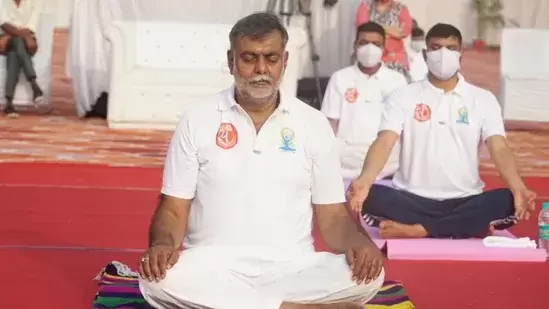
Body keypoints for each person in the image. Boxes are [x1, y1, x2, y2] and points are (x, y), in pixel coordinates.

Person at [138, 12, 384, 309]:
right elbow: (173, 210)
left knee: (371, 274)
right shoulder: (197, 120)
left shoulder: (313, 124)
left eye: (271, 58)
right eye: (249, 58)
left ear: (285, 61)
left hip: (293, 268)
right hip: (213, 268)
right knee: (157, 279)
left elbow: (333, 217)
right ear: (231, 61)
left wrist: (357, 243)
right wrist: (162, 244)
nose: (261, 69)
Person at [346, 23, 536, 239]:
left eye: (451, 48)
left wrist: (518, 186)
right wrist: (365, 180)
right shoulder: (403, 96)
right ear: (426, 55)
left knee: (507, 200)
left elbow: (499, 147)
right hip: (411, 198)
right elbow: (385, 141)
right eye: (436, 47)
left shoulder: (483, 99)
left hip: (465, 199)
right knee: (373, 196)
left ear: (461, 54)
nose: (443, 54)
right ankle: (460, 227)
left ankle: (421, 230)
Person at [321, 22, 406, 180]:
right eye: (364, 43)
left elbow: (403, 129)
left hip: (387, 170)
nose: (369, 48)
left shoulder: (397, 81)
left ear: (383, 48)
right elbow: (329, 126)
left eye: (376, 44)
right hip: (345, 168)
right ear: (355, 46)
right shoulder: (340, 78)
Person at [0, 0, 44, 118]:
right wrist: (23, 36)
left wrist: (23, 36)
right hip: (6, 40)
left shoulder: (34, 2)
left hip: (25, 41)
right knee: (18, 43)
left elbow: (31, 26)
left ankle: (9, 103)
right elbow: (4, 24)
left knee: (15, 51)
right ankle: (34, 85)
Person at [355, 0, 412, 78]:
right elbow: (363, 27)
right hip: (370, 56)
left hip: (394, 59)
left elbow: (404, 31)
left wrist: (375, 26)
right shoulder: (366, 6)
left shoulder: (400, 8)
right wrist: (390, 30)